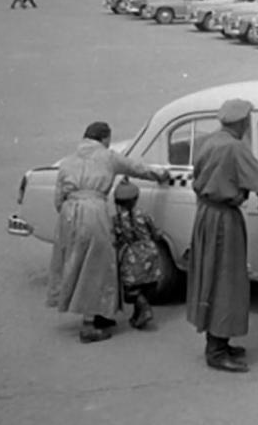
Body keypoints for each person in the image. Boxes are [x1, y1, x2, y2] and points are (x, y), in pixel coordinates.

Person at [46, 122, 169, 343]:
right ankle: (90, 324)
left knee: (74, 264)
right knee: (96, 266)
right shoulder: (108, 156)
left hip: (69, 213)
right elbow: (136, 167)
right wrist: (160, 174)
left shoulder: (68, 161)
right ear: (104, 138)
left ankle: (99, 314)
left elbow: (58, 199)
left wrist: (69, 213)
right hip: (93, 211)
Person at [186, 98, 258, 373]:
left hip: (205, 215)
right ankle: (216, 350)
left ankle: (219, 341)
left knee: (211, 277)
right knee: (226, 280)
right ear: (242, 122)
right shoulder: (235, 148)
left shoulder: (208, 142)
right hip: (224, 219)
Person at [112, 179, 163, 330]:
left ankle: (144, 309)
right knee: (147, 284)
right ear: (136, 199)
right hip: (149, 252)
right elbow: (157, 233)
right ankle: (138, 315)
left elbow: (116, 239)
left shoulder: (116, 220)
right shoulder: (144, 215)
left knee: (133, 287)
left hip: (131, 255)